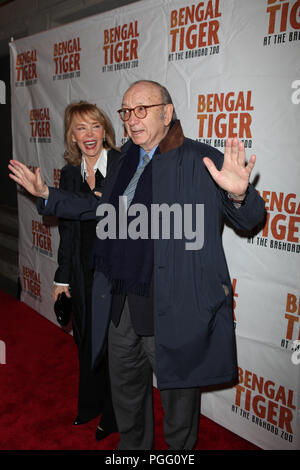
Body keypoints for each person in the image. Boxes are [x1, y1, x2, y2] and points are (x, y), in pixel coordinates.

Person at [9, 80, 266, 450]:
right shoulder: (124, 159)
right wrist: (48, 194)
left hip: (172, 307)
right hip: (119, 302)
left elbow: (248, 219)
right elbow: (99, 209)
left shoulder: (199, 160)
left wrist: (240, 194)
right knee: (127, 397)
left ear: (167, 112)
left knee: (179, 408)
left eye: (141, 109)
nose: (132, 119)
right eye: (127, 111)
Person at [51, 101, 119, 441]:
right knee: (85, 340)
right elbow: (67, 230)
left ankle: (113, 414)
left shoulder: (122, 165)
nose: (89, 135)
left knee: (111, 347)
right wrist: (62, 277)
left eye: (94, 126)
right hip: (81, 271)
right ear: (73, 137)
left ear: (105, 131)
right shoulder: (67, 174)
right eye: (81, 128)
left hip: (116, 275)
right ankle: (90, 404)